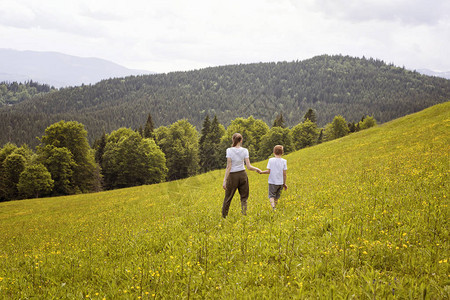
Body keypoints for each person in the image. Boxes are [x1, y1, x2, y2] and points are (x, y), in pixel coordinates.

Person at [222, 133, 261, 218]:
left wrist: (224, 180)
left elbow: (229, 166)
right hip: (243, 175)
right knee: (244, 197)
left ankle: (224, 217)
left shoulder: (229, 150)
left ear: (233, 140)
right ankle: (244, 215)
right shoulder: (245, 150)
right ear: (241, 140)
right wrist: (257, 169)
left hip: (232, 176)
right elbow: (249, 166)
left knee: (228, 197)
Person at [259, 145, 287, 210]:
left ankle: (273, 207)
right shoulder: (284, 161)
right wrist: (284, 183)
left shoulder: (271, 160)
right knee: (277, 197)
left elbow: (268, 171)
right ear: (282, 153)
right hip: (280, 182)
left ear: (274, 152)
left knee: (271, 196)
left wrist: (262, 172)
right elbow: (284, 174)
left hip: (272, 182)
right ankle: (275, 207)